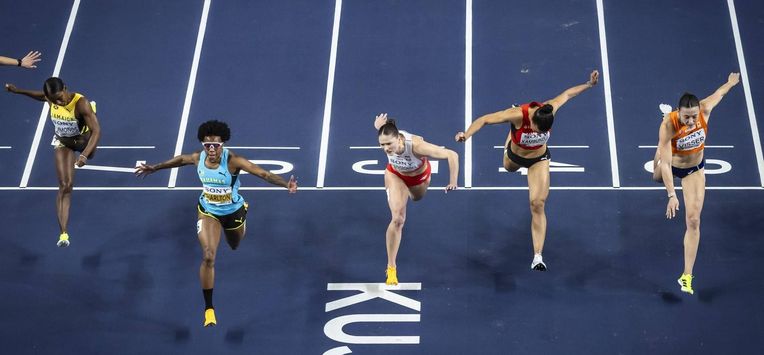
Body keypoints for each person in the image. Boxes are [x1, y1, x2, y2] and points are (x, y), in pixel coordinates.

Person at [135, 120, 297, 327]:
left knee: (234, 244)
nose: (211, 149)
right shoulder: (197, 158)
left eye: (216, 146)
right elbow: (180, 160)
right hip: (208, 211)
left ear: (223, 145)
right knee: (209, 256)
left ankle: (242, 216)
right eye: (207, 145)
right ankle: (209, 309)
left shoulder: (233, 161)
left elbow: (263, 173)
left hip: (233, 212)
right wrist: (155, 168)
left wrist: (285, 184)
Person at [455, 70, 599, 271]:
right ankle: (510, 136)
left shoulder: (550, 109)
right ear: (532, 120)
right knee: (508, 168)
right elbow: (485, 120)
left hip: (538, 159)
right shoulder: (518, 115)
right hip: (514, 157)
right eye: (537, 129)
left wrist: (589, 84)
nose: (538, 133)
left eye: (542, 132)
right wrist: (466, 134)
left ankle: (537, 256)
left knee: (537, 203)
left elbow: (567, 94)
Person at [652, 73, 740, 295]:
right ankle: (659, 150)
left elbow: (719, 93)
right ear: (678, 112)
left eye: (693, 117)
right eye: (686, 117)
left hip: (694, 169)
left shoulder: (704, 109)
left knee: (693, 219)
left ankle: (686, 276)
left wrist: (729, 83)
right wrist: (672, 195)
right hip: (672, 165)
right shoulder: (668, 125)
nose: (691, 121)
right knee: (657, 172)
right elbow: (666, 166)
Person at [5, 77, 101, 247]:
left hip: (83, 140)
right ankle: (64, 233)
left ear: (65, 88)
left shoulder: (81, 103)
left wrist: (84, 155)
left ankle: (92, 116)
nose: (59, 101)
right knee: (65, 185)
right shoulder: (50, 98)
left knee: (92, 153)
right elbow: (40, 96)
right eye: (54, 99)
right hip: (63, 141)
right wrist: (17, 90)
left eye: (60, 97)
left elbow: (97, 131)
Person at [375, 113, 459, 285]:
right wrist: (378, 126)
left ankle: (410, 191)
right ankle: (391, 268)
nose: (385, 149)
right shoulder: (388, 136)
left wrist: (453, 181)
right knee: (398, 219)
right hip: (395, 175)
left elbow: (452, 155)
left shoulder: (417, 146)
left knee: (416, 198)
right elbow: (385, 133)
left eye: (388, 144)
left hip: (419, 179)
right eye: (382, 145)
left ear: (399, 139)